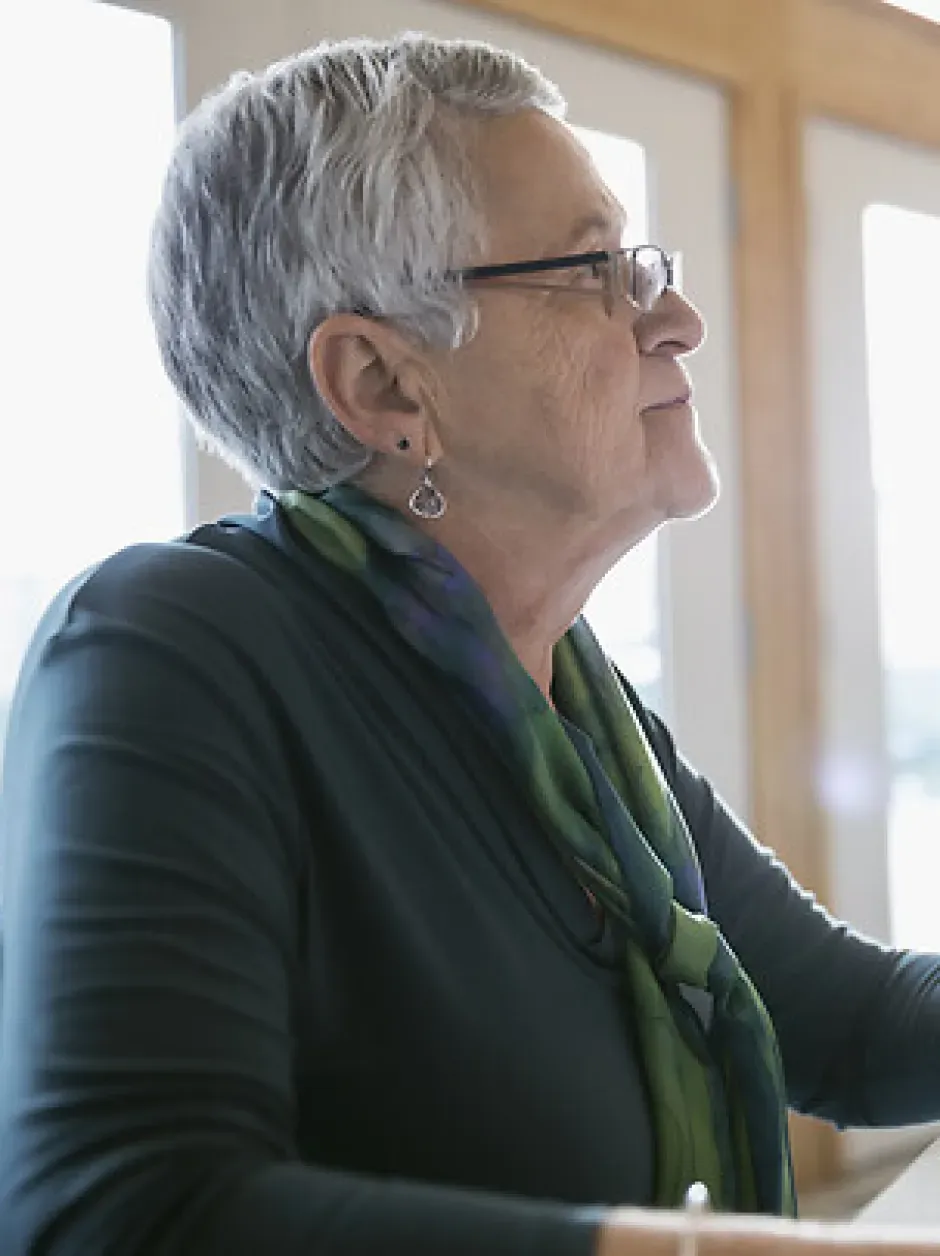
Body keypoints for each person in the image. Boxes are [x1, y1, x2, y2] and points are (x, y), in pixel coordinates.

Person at [0, 31, 938, 1256]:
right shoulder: (170, 649)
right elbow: (122, 1210)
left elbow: (859, 1028)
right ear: (384, 384)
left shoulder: (575, 715)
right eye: (595, 270)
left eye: (641, 262)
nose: (678, 318)